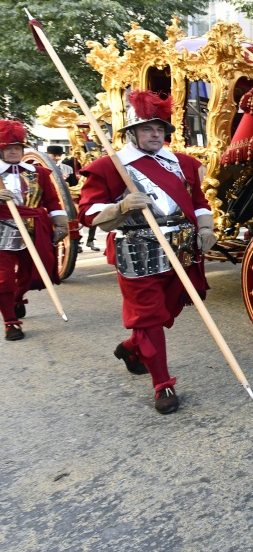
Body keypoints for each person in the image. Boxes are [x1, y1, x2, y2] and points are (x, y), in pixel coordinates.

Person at [78, 90, 216, 413]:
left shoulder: (181, 163)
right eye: (147, 129)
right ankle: (163, 385)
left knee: (164, 314)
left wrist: (206, 228)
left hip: (181, 250)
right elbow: (88, 213)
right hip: (137, 251)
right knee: (150, 317)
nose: (155, 135)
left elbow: (198, 203)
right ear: (132, 133)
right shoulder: (111, 167)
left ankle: (131, 349)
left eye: (160, 130)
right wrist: (122, 206)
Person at [0, 121, 68, 340]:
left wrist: (60, 222)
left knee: (31, 275)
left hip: (35, 229)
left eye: (17, 147)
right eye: (8, 147)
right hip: (2, 230)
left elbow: (52, 200)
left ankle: (17, 298)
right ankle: (11, 322)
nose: (13, 151)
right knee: (4, 278)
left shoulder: (39, 172)